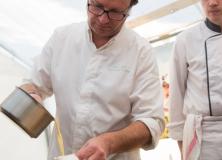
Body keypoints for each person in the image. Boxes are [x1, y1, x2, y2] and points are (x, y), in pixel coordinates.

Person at [20, 0, 165, 159]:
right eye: (97, 6)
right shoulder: (61, 38)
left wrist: (110, 142)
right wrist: (32, 95)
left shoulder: (140, 51)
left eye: (115, 12)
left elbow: (151, 122)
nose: (103, 19)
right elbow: (33, 85)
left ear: (129, 11)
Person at [166, 0, 222, 159]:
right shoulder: (185, 39)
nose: (212, 3)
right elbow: (177, 96)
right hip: (202, 138)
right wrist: (182, 149)